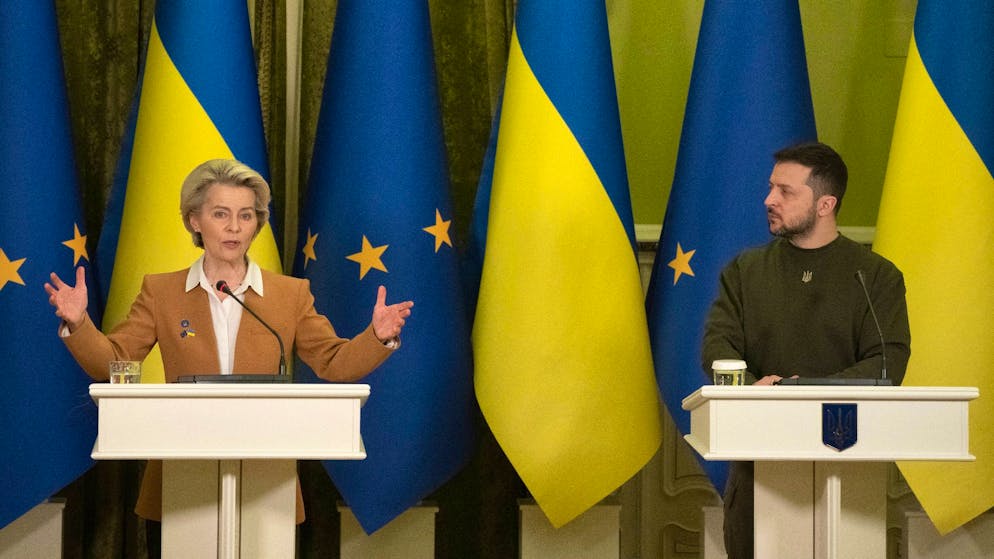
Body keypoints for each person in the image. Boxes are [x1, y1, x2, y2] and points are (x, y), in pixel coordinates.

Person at [44, 159, 413, 539]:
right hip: (180, 474)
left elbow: (334, 363)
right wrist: (79, 323)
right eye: (221, 214)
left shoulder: (290, 295)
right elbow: (114, 363)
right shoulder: (161, 293)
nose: (234, 227)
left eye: (246, 215)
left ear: (258, 223)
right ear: (194, 221)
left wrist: (376, 336)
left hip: (267, 478)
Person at [700, 142, 911, 558]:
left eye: (786, 191)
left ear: (825, 203)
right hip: (757, 461)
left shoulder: (875, 277)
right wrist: (751, 386)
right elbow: (717, 345)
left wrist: (807, 389)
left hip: (848, 462)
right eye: (770, 188)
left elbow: (887, 362)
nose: (769, 200)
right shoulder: (745, 272)